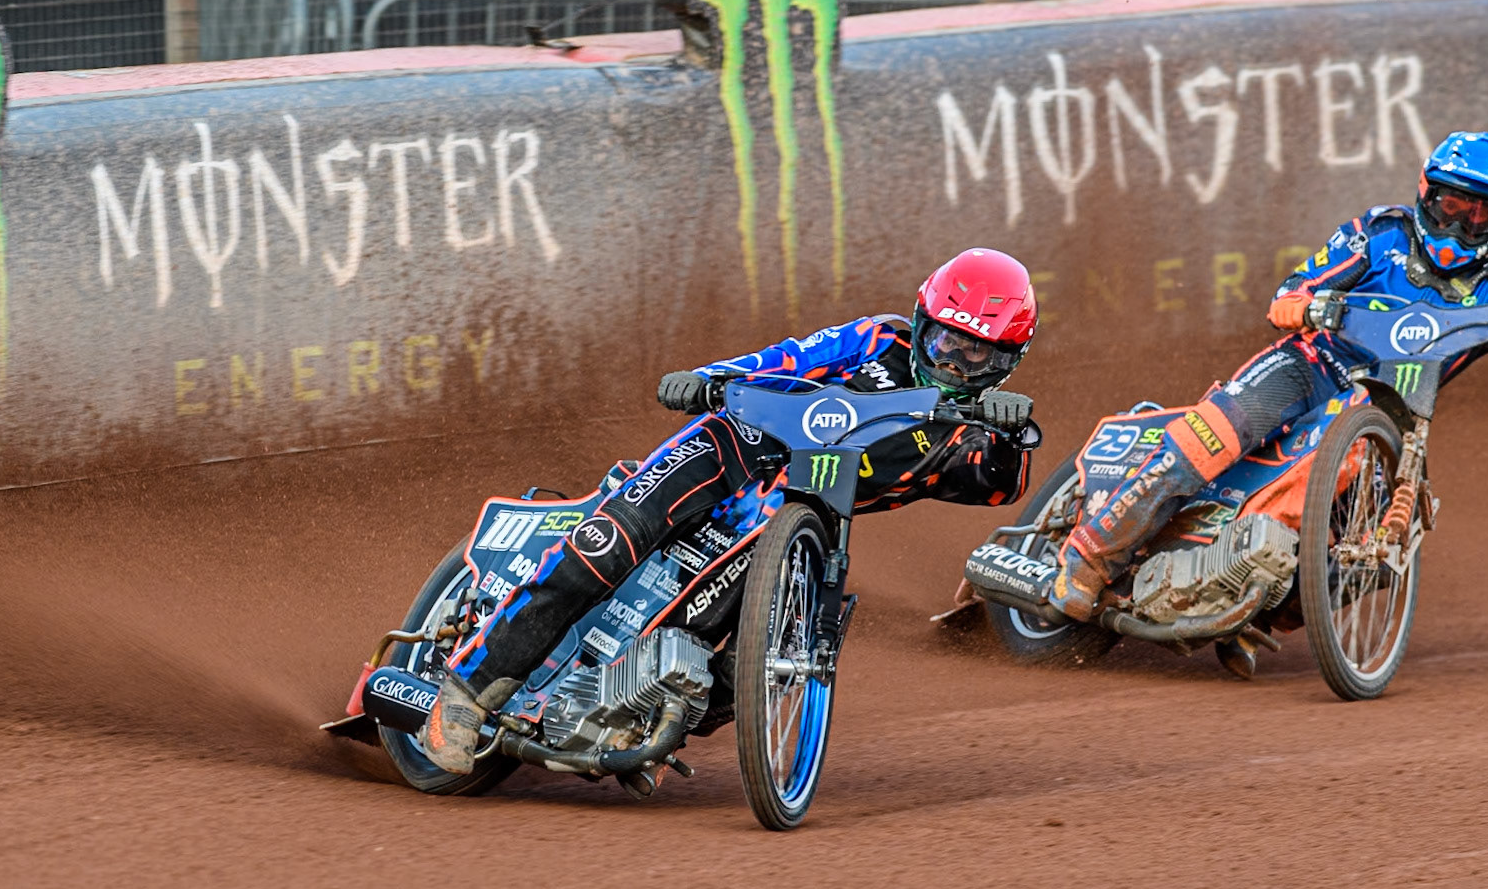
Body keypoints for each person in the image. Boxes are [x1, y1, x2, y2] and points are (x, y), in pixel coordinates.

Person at [421, 248, 1041, 773]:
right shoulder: (880, 338)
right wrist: (709, 378)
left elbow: (1000, 485)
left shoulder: (972, 435)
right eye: (943, 336)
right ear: (920, 319)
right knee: (609, 544)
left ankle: (643, 715)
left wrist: (1011, 434)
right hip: (740, 444)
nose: (951, 359)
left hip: (800, 518)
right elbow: (789, 359)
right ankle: (468, 692)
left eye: (974, 353)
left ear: (1006, 362)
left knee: (758, 662)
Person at [1047, 131, 1488, 640]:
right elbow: (1297, 285)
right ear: (1428, 193)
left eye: (1482, 214)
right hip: (1308, 368)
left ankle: (1244, 604)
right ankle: (1090, 557)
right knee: (1216, 432)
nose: (1461, 226)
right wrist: (1299, 303)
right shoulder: (1379, 234)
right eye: (1453, 206)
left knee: (1380, 548)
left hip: (1388, 420)